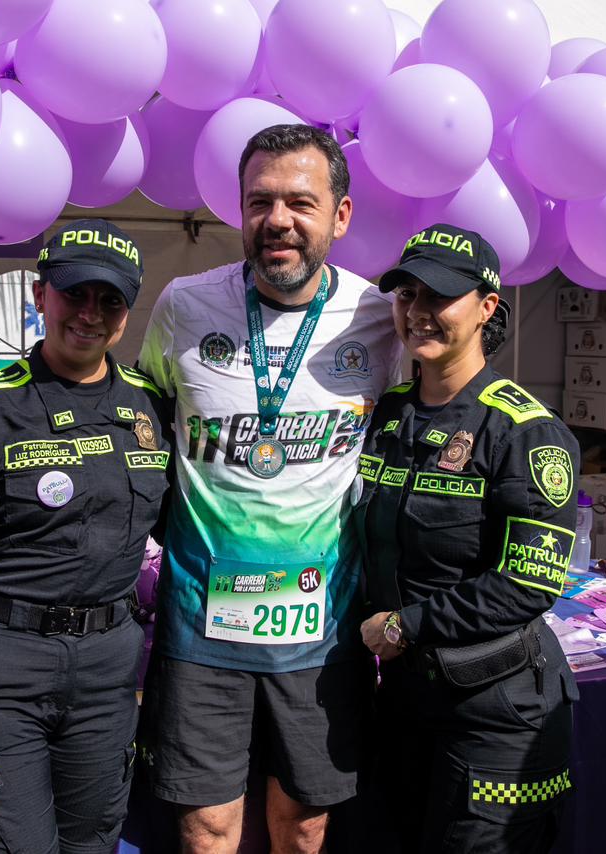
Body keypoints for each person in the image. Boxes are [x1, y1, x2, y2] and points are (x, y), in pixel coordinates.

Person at [136, 124, 403, 853]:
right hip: (200, 624)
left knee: (305, 825)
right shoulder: (183, 308)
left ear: (340, 217)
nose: (278, 221)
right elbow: (146, 423)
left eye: (300, 203)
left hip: (321, 630)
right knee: (206, 829)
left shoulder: (381, 319)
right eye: (260, 202)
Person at [0, 219, 171, 853]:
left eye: (110, 300)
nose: (91, 314)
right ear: (40, 295)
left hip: (106, 676)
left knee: (93, 844)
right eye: (75, 294)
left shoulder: (150, 408)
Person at [356, 225, 580, 853]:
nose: (419, 313)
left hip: (496, 710)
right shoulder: (386, 413)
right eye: (407, 295)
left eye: (441, 297)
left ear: (487, 307)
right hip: (405, 701)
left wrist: (405, 626)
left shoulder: (525, 431)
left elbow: (526, 584)